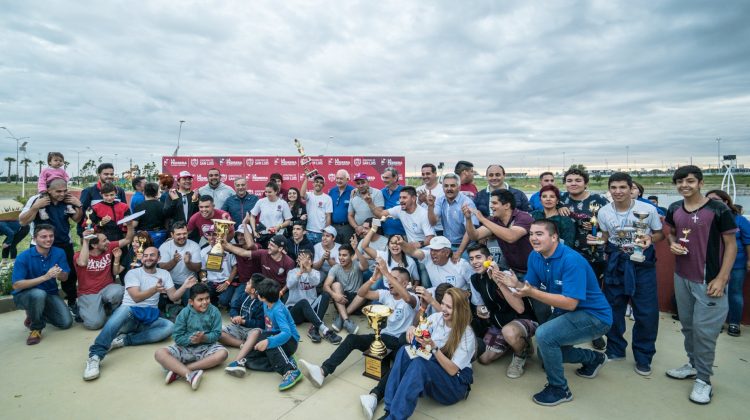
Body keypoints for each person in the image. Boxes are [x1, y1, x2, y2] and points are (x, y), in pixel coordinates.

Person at [499, 219, 612, 406]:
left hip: (595, 317)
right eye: (531, 234)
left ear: (554, 237)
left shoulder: (571, 260)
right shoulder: (535, 256)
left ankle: (559, 389)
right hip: (568, 312)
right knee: (546, 354)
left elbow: (570, 303)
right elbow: (529, 287)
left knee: (544, 335)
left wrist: (531, 292)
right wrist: (514, 284)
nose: (533, 238)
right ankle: (594, 358)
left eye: (539, 234)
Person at [664, 166, 737, 404]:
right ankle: (693, 365)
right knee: (688, 326)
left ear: (700, 182)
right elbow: (671, 233)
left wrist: (722, 277)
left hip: (709, 280)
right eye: (680, 182)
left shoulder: (718, 208)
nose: (684, 185)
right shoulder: (675, 207)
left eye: (690, 181)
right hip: (682, 276)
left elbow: (731, 244)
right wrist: (672, 243)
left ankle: (704, 380)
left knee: (705, 333)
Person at [299, 263, 417, 396]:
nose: (389, 282)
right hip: (382, 337)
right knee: (351, 339)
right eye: (389, 279)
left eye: (394, 279)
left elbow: (407, 298)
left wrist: (386, 273)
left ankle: (375, 395)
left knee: (399, 367)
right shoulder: (385, 294)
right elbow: (362, 293)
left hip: (399, 343)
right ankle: (323, 371)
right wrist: (373, 279)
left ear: (406, 283)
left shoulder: (414, 298)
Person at [83, 246, 190, 381]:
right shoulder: (133, 273)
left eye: (152, 255)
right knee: (125, 309)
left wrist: (185, 286)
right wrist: (155, 290)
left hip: (148, 317)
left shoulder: (164, 274)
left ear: (159, 258)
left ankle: (124, 340)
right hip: (128, 318)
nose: (148, 258)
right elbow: (136, 297)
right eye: (145, 255)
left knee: (169, 327)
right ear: (142, 257)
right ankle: (95, 356)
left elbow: (174, 297)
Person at [592, 172, 663, 376]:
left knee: (646, 311)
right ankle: (615, 349)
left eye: (622, 187)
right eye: (613, 187)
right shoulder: (604, 211)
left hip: (642, 264)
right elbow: (606, 236)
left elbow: (660, 233)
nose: (618, 191)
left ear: (631, 189)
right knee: (614, 307)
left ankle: (643, 356)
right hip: (616, 262)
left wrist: (650, 239)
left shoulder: (647, 209)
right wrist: (597, 240)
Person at [379, 287, 476, 420]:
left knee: (420, 364)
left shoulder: (467, 334)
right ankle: (389, 410)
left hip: (454, 385)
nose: (443, 309)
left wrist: (433, 348)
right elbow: (420, 330)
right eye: (442, 303)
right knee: (404, 352)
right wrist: (413, 329)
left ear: (460, 310)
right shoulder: (437, 318)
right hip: (436, 370)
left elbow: (453, 370)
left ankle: (395, 417)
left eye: (449, 307)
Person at [559, 167, 609, 350]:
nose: (573, 184)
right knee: (568, 294)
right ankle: (566, 331)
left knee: (591, 294)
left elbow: (609, 226)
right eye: (569, 180)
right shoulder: (561, 199)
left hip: (593, 255)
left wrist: (599, 230)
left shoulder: (599, 200)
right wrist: (559, 206)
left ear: (585, 182)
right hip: (567, 255)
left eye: (578, 180)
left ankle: (596, 332)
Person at [468, 244, 536, 378]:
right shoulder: (475, 279)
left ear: (489, 258)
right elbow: (479, 305)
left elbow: (520, 308)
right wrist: (481, 311)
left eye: (478, 257)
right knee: (484, 358)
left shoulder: (504, 274)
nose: (474, 262)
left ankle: (520, 354)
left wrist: (498, 281)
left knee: (509, 332)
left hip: (523, 318)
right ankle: (519, 342)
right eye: (471, 259)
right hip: (499, 323)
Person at [19, 178, 83, 310]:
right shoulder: (37, 199)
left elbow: (77, 219)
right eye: (58, 191)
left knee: (69, 276)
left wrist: (79, 205)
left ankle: (72, 303)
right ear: (48, 190)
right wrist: (36, 207)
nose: (62, 194)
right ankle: (37, 308)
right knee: (38, 276)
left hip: (64, 244)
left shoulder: (67, 200)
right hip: (41, 246)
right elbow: (23, 221)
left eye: (65, 190)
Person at [154, 283, 229, 390]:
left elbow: (217, 334)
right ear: (191, 302)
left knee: (223, 354)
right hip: (185, 348)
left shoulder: (214, 311)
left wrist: (204, 338)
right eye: (200, 299)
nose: (205, 302)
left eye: (207, 298)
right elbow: (177, 337)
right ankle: (190, 374)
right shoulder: (184, 313)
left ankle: (181, 371)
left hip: (206, 348)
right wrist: (192, 340)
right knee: (159, 353)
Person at [11, 224, 73, 345]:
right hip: (24, 296)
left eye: (51, 236)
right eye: (43, 236)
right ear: (34, 239)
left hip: (50, 293)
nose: (48, 239)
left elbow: (65, 278)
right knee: (38, 294)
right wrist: (46, 277)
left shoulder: (59, 252)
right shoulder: (23, 257)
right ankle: (36, 328)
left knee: (66, 323)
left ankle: (35, 313)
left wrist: (59, 274)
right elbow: (17, 285)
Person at [243, 278, 303, 391]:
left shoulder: (278, 310)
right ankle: (284, 359)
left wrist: (268, 342)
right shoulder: (267, 304)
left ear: (263, 297)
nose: (256, 293)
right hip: (275, 337)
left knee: (267, 340)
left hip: (290, 341)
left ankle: (290, 371)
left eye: (258, 292)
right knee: (249, 360)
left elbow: (287, 333)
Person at [705, 189, 750, 337]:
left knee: (734, 293)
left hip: (736, 264)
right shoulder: (707, 218)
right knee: (714, 293)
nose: (711, 202)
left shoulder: (739, 219)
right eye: (709, 199)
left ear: (725, 202)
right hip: (714, 263)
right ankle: (716, 322)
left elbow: (748, 242)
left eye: (715, 199)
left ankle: (734, 322)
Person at [464, 189, 534, 280]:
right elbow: (475, 236)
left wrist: (483, 219)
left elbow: (511, 237)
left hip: (532, 271)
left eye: (494, 203)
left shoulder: (523, 217)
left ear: (507, 205)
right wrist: (468, 219)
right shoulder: (495, 220)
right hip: (512, 270)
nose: (491, 206)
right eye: (491, 203)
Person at [75, 225, 135, 329]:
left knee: (120, 291)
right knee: (94, 324)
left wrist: (129, 224)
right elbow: (83, 262)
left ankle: (108, 308)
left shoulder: (108, 247)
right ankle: (85, 308)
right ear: (94, 245)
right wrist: (85, 241)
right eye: (104, 240)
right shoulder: (78, 255)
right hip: (89, 293)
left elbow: (128, 239)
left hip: (107, 288)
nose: (108, 242)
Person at [285, 249, 342, 344]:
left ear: (311, 261)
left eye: (306, 259)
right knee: (303, 302)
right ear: (297, 261)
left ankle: (314, 328)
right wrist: (300, 272)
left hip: (310, 311)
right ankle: (325, 330)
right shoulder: (292, 272)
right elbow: (290, 285)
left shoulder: (315, 272)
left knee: (326, 294)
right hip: (295, 312)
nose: (303, 261)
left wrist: (308, 270)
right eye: (300, 258)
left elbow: (315, 282)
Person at [222, 234, 296, 296]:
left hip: (278, 291)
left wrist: (281, 292)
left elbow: (290, 282)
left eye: (272, 245)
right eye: (269, 244)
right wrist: (226, 244)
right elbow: (243, 253)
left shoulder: (289, 262)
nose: (268, 247)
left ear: (280, 249)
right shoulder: (263, 253)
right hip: (264, 288)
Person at [222, 274, 265, 377]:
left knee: (256, 332)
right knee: (218, 332)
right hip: (238, 327)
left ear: (253, 290)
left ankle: (237, 362)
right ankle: (243, 345)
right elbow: (234, 307)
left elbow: (261, 323)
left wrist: (244, 322)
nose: (246, 283)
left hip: (252, 330)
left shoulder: (261, 303)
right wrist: (235, 316)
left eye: (249, 283)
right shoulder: (244, 295)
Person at [426, 173, 477, 255]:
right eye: (446, 186)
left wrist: (459, 252)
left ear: (459, 187)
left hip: (466, 246)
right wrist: (430, 206)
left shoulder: (467, 203)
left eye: (452, 185)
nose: (449, 188)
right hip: (447, 245)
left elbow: (469, 231)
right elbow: (433, 222)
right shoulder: (440, 200)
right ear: (442, 188)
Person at [368, 186, 435, 247]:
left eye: (404, 198)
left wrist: (419, 244)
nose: (401, 200)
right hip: (411, 249)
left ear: (414, 198)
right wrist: (370, 203)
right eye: (400, 198)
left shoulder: (423, 214)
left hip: (426, 249)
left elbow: (431, 238)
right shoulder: (399, 209)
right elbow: (380, 214)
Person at [399, 236, 473, 290]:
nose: (432, 253)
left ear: (447, 253)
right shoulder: (428, 257)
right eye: (431, 250)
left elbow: (473, 284)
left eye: (436, 250)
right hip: (439, 302)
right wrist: (402, 243)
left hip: (460, 303)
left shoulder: (461, 264)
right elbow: (413, 251)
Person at [323, 244, 367, 334]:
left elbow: (365, 266)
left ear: (351, 256)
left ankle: (341, 318)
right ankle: (346, 320)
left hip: (356, 302)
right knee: (335, 285)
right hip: (341, 300)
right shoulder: (335, 268)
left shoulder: (357, 265)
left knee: (365, 292)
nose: (341, 258)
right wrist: (334, 295)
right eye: (339, 255)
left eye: (344, 255)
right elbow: (325, 286)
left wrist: (356, 249)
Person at [158, 222, 202, 306]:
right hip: (170, 283)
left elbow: (198, 268)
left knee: (192, 306)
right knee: (161, 304)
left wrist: (188, 263)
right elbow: (162, 268)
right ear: (172, 234)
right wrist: (174, 261)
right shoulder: (165, 246)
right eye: (178, 234)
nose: (182, 236)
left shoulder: (194, 246)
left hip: (189, 282)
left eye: (184, 233)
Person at [79, 163, 127, 236]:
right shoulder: (88, 191)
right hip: (96, 235)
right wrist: (82, 233)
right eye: (106, 174)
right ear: (99, 175)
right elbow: (83, 214)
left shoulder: (120, 191)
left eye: (111, 174)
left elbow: (124, 212)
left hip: (117, 235)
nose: (109, 176)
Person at [199, 225, 238, 307]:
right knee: (203, 298)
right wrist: (203, 279)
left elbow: (235, 267)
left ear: (220, 236)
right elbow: (202, 270)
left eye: (215, 234)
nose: (212, 237)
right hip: (211, 282)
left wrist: (227, 282)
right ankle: (215, 301)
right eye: (209, 235)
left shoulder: (228, 249)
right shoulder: (203, 251)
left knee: (224, 301)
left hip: (227, 281)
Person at [250, 181, 292, 247]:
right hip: (263, 235)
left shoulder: (283, 203)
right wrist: (254, 231)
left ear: (276, 192)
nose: (267, 194)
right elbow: (252, 216)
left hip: (277, 236)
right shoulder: (261, 201)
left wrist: (279, 226)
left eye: (270, 192)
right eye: (266, 192)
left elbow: (288, 221)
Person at [36, 152, 74, 218]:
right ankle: (42, 211)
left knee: (68, 195)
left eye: (60, 161)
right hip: (48, 188)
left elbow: (66, 177)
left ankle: (69, 207)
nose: (58, 162)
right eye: (56, 160)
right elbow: (41, 180)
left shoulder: (62, 171)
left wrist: (64, 182)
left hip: (60, 186)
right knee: (43, 198)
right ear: (50, 162)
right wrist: (42, 189)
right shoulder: (46, 171)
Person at [299, 174, 333, 245]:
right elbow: (302, 194)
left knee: (320, 254)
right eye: (316, 181)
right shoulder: (309, 195)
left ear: (323, 185)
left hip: (321, 232)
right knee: (309, 254)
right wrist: (306, 178)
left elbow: (328, 216)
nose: (318, 184)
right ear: (313, 184)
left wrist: (326, 232)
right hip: (309, 231)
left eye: (321, 182)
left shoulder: (327, 198)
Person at [349, 172, 384, 237]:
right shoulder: (353, 195)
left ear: (368, 182)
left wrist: (370, 203)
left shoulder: (377, 193)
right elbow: (350, 215)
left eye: (363, 182)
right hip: (359, 232)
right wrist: (356, 227)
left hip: (374, 231)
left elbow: (380, 215)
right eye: (358, 183)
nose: (361, 185)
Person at [134, 182, 168, 248]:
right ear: (156, 193)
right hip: (160, 235)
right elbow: (167, 222)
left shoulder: (139, 206)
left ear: (144, 192)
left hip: (144, 236)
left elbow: (135, 224)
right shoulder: (163, 205)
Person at [416, 163, 445, 235]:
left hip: (439, 230)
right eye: (423, 174)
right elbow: (414, 211)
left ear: (435, 174)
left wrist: (427, 202)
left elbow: (441, 211)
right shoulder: (419, 189)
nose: (425, 176)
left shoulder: (443, 190)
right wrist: (419, 201)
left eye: (428, 173)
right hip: (423, 230)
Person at [329, 169, 356, 244]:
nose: (338, 180)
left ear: (347, 179)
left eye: (341, 178)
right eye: (337, 178)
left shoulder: (353, 191)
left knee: (347, 249)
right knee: (335, 249)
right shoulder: (332, 191)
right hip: (334, 226)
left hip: (347, 227)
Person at [380, 167, 407, 237]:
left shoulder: (405, 191)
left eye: (387, 178)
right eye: (384, 178)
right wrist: (356, 191)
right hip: (386, 233)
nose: (384, 180)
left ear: (395, 178)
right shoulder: (381, 192)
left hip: (403, 234)